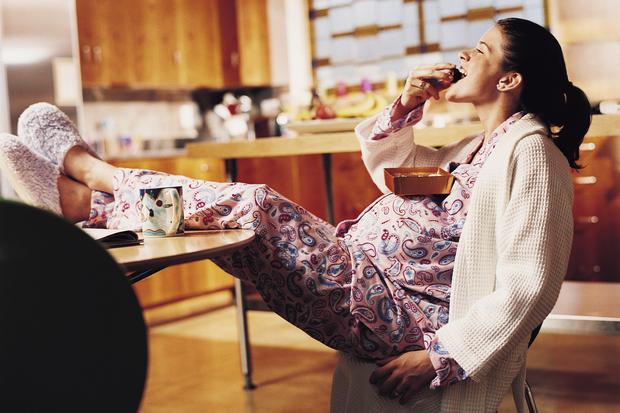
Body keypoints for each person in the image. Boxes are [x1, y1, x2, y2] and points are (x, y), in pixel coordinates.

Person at [0, 17, 589, 413]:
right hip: (367, 283)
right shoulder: (477, 146)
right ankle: (95, 201)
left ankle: (91, 189)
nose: (464, 54)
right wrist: (408, 104)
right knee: (239, 233)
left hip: (402, 317)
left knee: (257, 208)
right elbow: (396, 171)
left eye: (481, 51)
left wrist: (445, 354)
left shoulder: (530, 152)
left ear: (510, 79)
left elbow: (530, 280)